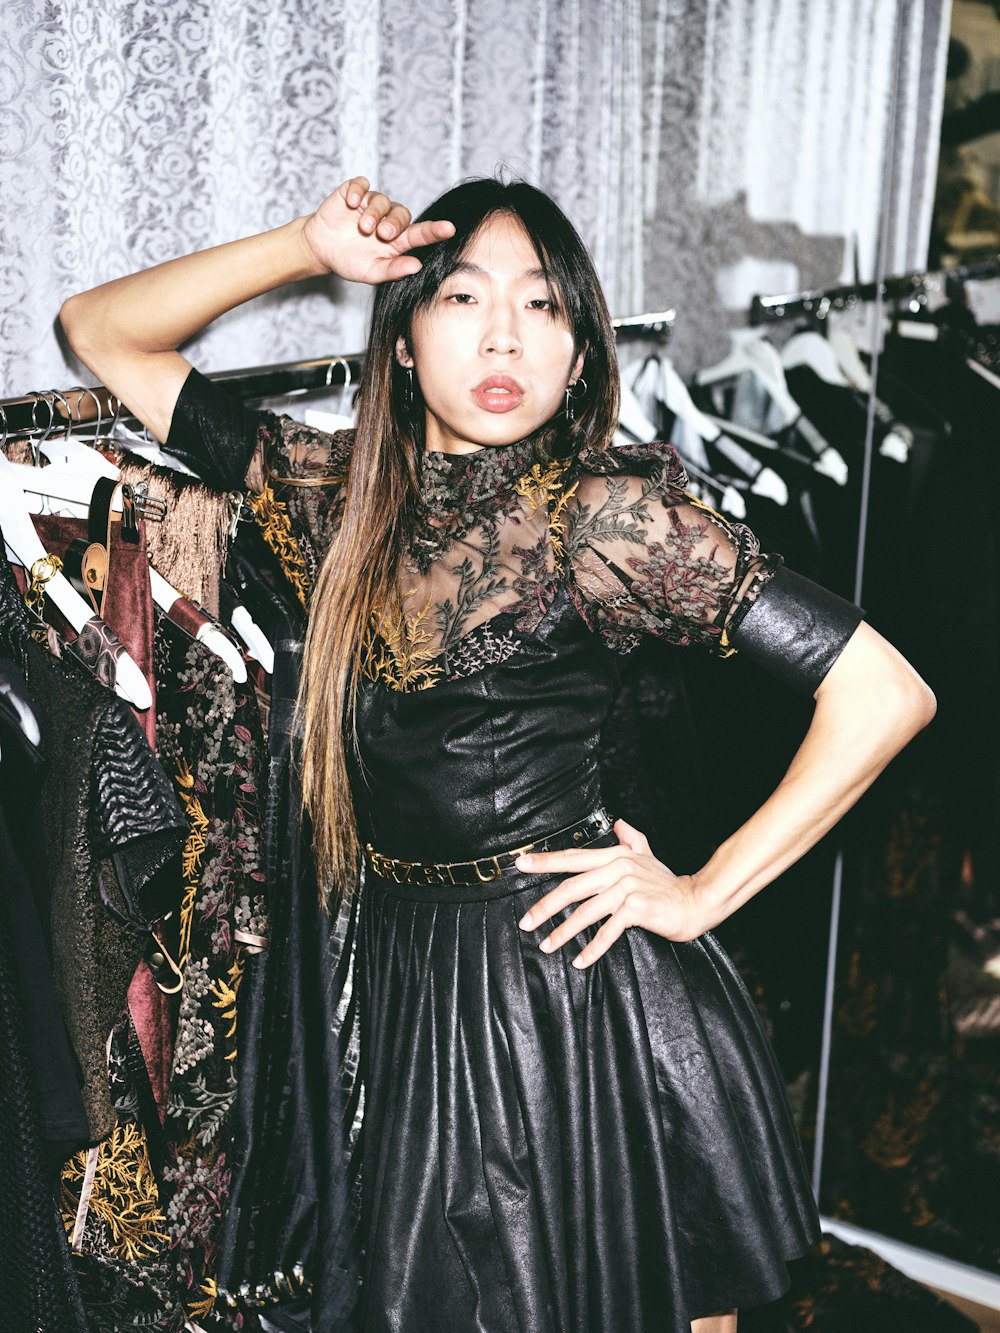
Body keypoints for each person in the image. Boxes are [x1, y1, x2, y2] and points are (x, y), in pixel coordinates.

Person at [60, 175, 936, 1333]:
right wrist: (305, 246)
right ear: (405, 339)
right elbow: (99, 332)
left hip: (571, 995)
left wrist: (700, 889)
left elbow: (885, 690)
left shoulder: (609, 518)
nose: (503, 334)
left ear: (579, 356)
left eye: (543, 306)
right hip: (401, 991)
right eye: (462, 296)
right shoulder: (325, 493)